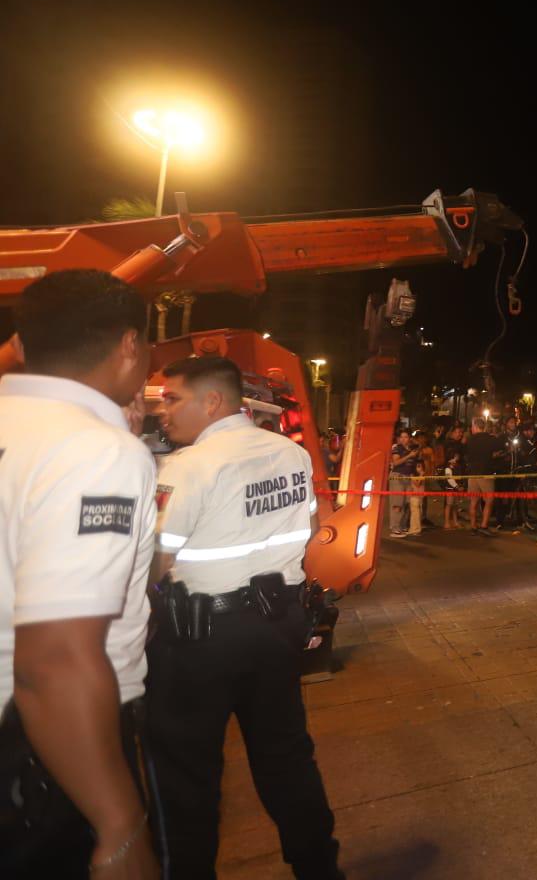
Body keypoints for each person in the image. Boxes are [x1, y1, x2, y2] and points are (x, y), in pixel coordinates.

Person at [146, 355, 341, 879]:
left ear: (212, 401)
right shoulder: (289, 454)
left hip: (199, 640)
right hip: (276, 628)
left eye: (172, 399)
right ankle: (320, 869)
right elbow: (309, 528)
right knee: (287, 759)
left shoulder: (188, 466)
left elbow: (155, 562)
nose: (164, 412)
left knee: (186, 776)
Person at [0, 270, 161, 879]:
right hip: (54, 750)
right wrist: (119, 825)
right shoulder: (95, 451)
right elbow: (56, 661)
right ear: (128, 346)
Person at [465, 417, 503, 535]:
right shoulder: (490, 439)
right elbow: (500, 448)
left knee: (473, 501)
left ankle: (473, 526)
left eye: (472, 426)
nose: (471, 429)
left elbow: (467, 455)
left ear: (476, 427)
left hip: (472, 474)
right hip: (486, 473)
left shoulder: (470, 440)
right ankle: (484, 525)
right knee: (489, 500)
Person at [387, 428, 423, 539]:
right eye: (401, 437)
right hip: (397, 477)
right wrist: (409, 456)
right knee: (397, 503)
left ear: (410, 438)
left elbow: (414, 466)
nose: (403, 439)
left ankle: (402, 526)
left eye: (406, 437)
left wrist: (418, 473)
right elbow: (396, 462)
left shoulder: (413, 450)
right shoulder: (397, 448)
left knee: (408, 503)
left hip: (408, 478)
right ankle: (395, 527)